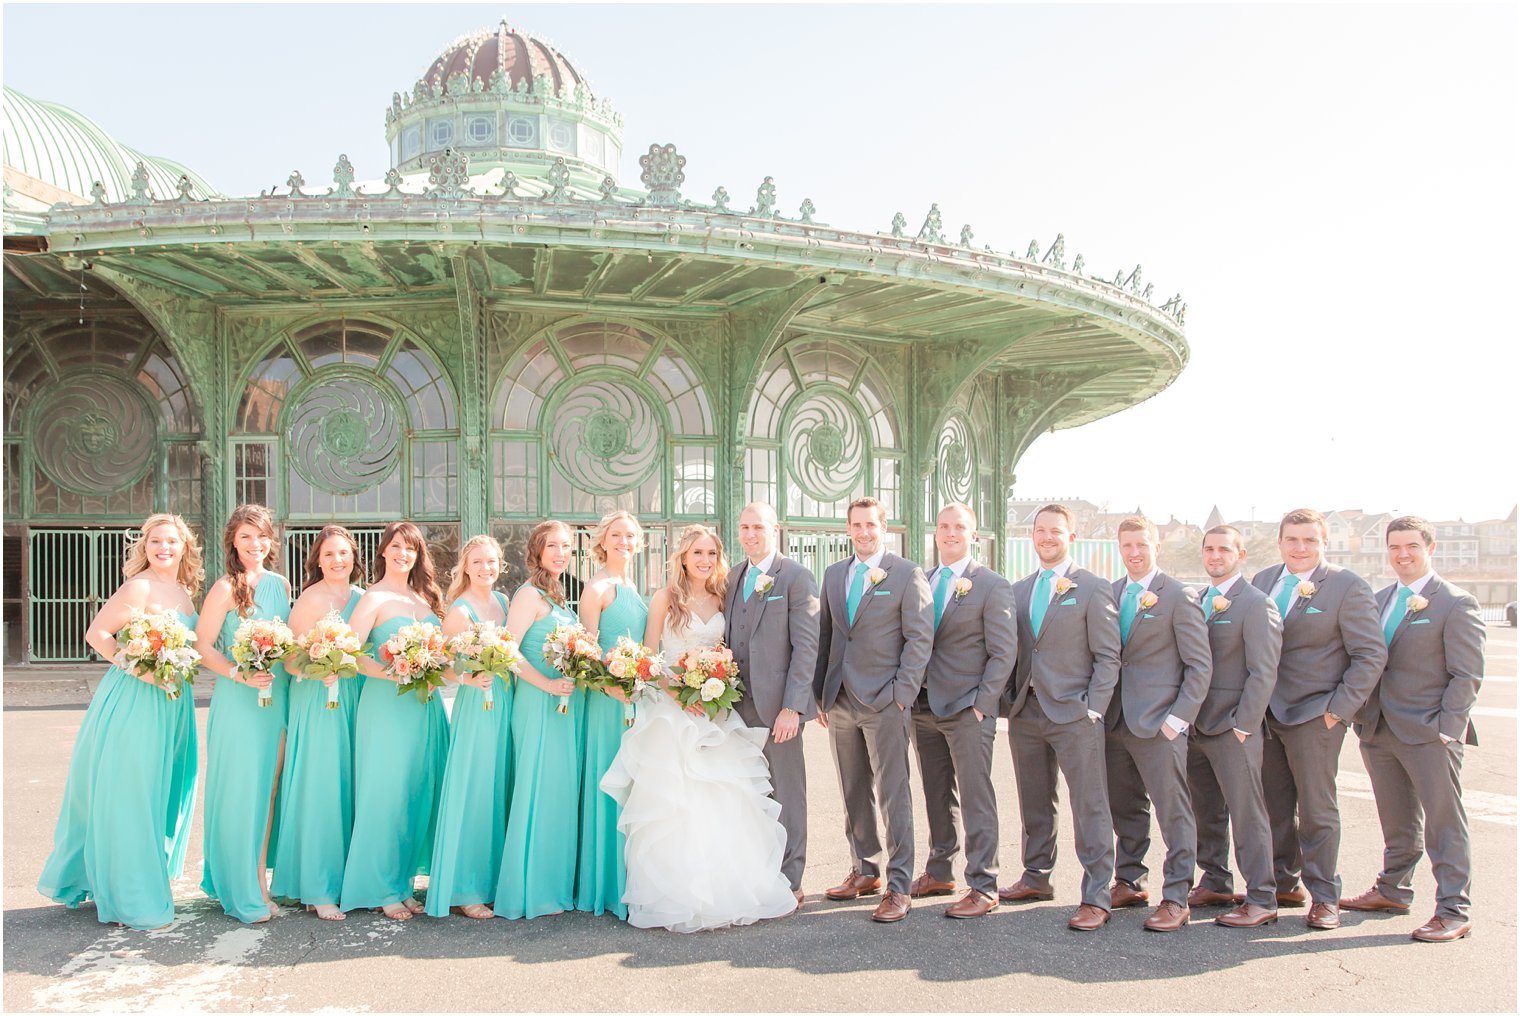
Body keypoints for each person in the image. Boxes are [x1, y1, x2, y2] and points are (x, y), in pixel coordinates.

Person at [601, 523, 797, 931]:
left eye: (712, 553)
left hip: (715, 709)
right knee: (677, 802)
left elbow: (731, 652)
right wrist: (680, 696)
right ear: (683, 558)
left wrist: (714, 690)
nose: (705, 561)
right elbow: (650, 659)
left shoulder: (725, 597)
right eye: (698, 554)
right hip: (673, 710)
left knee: (726, 797)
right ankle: (675, 893)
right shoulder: (665, 599)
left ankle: (728, 888)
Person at [37, 514, 204, 930]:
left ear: (184, 547)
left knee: (160, 788)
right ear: (144, 547)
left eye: (171, 541)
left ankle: (143, 876)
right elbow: (97, 635)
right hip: (135, 697)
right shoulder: (139, 586)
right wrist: (143, 669)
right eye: (155, 542)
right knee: (131, 792)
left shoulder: (184, 591)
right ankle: (131, 895)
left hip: (172, 700)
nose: (163, 548)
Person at [1341, 516, 1484, 943]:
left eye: (1411, 546)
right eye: (1394, 547)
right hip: (1378, 728)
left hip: (1428, 732)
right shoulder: (1379, 598)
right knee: (1396, 818)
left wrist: (1447, 730)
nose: (1402, 555)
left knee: (1444, 822)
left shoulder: (1456, 603)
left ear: (1430, 548)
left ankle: (1454, 909)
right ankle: (1393, 889)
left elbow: (1467, 674)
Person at [1250, 508, 1385, 930]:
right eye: (1292, 539)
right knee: (1271, 807)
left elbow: (1370, 655)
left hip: (1315, 715)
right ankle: (1281, 885)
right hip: (1266, 714)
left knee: (1316, 810)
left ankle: (1325, 896)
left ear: (1323, 542)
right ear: (1280, 542)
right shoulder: (1263, 581)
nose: (1300, 547)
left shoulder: (1346, 586)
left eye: (1310, 540)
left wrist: (1337, 711)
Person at [999, 503, 1121, 932]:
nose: (1047, 538)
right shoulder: (1018, 589)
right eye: (1040, 531)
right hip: (1026, 712)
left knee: (1089, 805)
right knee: (1034, 800)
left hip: (1074, 713)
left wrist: (1093, 708)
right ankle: (1036, 877)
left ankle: (1097, 895)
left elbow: (1109, 656)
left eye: (1055, 531)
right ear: (1032, 536)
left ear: (1071, 537)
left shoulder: (1092, 587)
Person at [814, 497, 934, 923]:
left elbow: (920, 638)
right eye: (856, 525)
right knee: (852, 788)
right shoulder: (833, 575)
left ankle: (899, 885)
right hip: (840, 699)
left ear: (884, 527)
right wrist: (820, 694)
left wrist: (902, 694)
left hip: (885, 700)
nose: (864, 532)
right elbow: (826, 634)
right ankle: (865, 869)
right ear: (848, 529)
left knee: (892, 792)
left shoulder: (906, 574)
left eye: (871, 525)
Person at [1104, 516, 1211, 932]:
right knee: (1124, 807)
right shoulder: (1111, 593)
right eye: (1127, 545)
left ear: (1156, 546)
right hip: (1116, 721)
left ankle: (1177, 895)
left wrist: (1177, 720)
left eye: (1142, 544)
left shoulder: (1179, 595)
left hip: (1160, 722)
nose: (1134, 552)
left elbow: (1199, 666)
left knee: (1174, 811)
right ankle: (1129, 879)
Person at [908, 503, 1015, 919]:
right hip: (923, 705)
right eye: (943, 526)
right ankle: (940, 870)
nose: (950, 533)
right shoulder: (923, 579)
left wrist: (982, 704)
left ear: (974, 535)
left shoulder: (990, 584)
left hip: (968, 707)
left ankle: (983, 885)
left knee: (975, 795)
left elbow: (1004, 651)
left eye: (959, 527)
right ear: (935, 532)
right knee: (936, 792)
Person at [339, 521, 450, 920]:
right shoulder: (373, 597)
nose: (404, 554)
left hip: (424, 706)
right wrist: (393, 671)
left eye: (412, 549)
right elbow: (347, 653)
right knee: (384, 795)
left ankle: (401, 883)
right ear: (383, 550)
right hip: (386, 704)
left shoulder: (426, 597)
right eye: (397, 546)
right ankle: (378, 886)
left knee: (415, 793)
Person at [197, 504, 292, 924]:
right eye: (246, 537)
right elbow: (201, 646)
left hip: (278, 697)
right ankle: (242, 889)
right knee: (242, 792)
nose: (255, 544)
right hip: (240, 700)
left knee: (269, 790)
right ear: (233, 542)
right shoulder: (224, 588)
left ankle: (260, 880)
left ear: (271, 541)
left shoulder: (280, 584)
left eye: (262, 536)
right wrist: (239, 672)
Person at [1186, 524, 1284, 929]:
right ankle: (1215, 880)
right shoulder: (1198, 600)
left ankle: (1262, 896)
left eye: (1224, 549)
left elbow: (1263, 671)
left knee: (1247, 814)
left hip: (1232, 727)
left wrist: (1244, 725)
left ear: (1240, 555)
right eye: (1209, 549)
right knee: (1204, 810)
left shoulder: (1256, 603)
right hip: (1196, 725)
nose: (1215, 556)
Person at [723, 501, 819, 909]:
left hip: (778, 708)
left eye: (758, 527)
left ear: (774, 529)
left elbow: (806, 645)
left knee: (787, 793)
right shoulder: (732, 576)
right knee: (747, 793)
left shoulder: (796, 577)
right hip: (734, 706)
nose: (750, 535)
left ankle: (791, 878)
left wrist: (793, 708)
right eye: (744, 527)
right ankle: (756, 872)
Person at [269, 525, 366, 921]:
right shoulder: (311, 598)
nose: (337, 560)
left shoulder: (362, 598)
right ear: (317, 561)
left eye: (343, 553)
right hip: (316, 696)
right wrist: (316, 669)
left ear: (354, 557)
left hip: (354, 698)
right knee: (321, 785)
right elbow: (291, 659)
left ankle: (347, 877)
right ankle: (317, 886)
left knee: (349, 784)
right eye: (328, 555)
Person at [495, 520, 583, 920]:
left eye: (566, 546)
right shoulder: (528, 595)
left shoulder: (562, 599)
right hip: (536, 702)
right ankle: (528, 889)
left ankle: (553, 886)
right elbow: (507, 652)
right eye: (553, 546)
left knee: (557, 791)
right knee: (535, 787)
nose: (561, 553)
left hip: (563, 705)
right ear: (537, 550)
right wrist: (546, 686)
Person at [427, 535, 515, 919]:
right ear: (464, 567)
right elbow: (442, 663)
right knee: (474, 791)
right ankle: (465, 888)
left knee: (498, 789)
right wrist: (466, 679)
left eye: (491, 562)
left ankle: (492, 880)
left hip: (505, 702)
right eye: (477, 562)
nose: (485, 569)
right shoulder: (460, 611)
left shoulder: (503, 603)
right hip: (476, 703)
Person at [575, 510, 646, 920]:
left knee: (634, 783)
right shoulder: (597, 587)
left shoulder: (632, 585)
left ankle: (631, 875)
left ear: (639, 543)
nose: (624, 541)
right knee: (609, 780)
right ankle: (605, 883)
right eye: (616, 535)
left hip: (635, 696)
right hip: (607, 701)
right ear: (603, 541)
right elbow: (586, 652)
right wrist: (613, 687)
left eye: (630, 536)